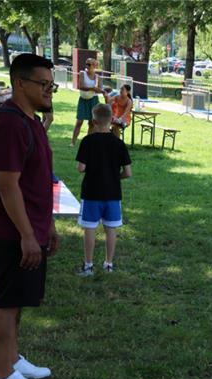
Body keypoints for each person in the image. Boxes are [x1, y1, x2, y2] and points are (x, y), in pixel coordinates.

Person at [0, 54, 58, 379]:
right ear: (20, 83)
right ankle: (3, 376)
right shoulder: (10, 124)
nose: (50, 91)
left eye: (52, 85)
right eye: (43, 84)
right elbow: (7, 185)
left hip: (33, 228)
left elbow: (38, 179)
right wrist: (28, 235)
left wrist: (48, 228)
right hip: (13, 232)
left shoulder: (31, 121)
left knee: (17, 299)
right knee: (6, 300)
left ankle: (13, 361)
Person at [75, 104, 132, 276]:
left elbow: (80, 167)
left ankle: (88, 265)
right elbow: (128, 173)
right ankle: (109, 264)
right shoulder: (119, 143)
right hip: (113, 193)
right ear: (111, 120)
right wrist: (115, 177)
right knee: (111, 230)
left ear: (93, 121)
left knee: (90, 229)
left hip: (91, 192)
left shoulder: (87, 141)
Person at [71, 58, 107, 146]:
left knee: (92, 123)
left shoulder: (97, 77)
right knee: (79, 121)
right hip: (83, 99)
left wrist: (101, 91)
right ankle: (72, 142)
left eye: (89, 64)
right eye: (86, 64)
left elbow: (99, 90)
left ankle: (87, 142)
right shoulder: (82, 73)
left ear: (95, 66)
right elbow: (81, 86)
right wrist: (92, 88)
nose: (87, 66)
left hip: (93, 100)